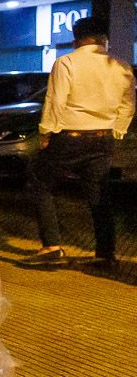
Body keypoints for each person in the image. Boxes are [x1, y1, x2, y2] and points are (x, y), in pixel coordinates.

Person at [24, 16, 135, 271]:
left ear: (77, 39)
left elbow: (56, 101)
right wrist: (117, 132)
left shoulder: (66, 62)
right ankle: (105, 254)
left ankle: (51, 247)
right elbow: (128, 105)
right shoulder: (122, 66)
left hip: (70, 137)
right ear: (104, 39)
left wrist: (46, 133)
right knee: (99, 196)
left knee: (38, 182)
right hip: (103, 138)